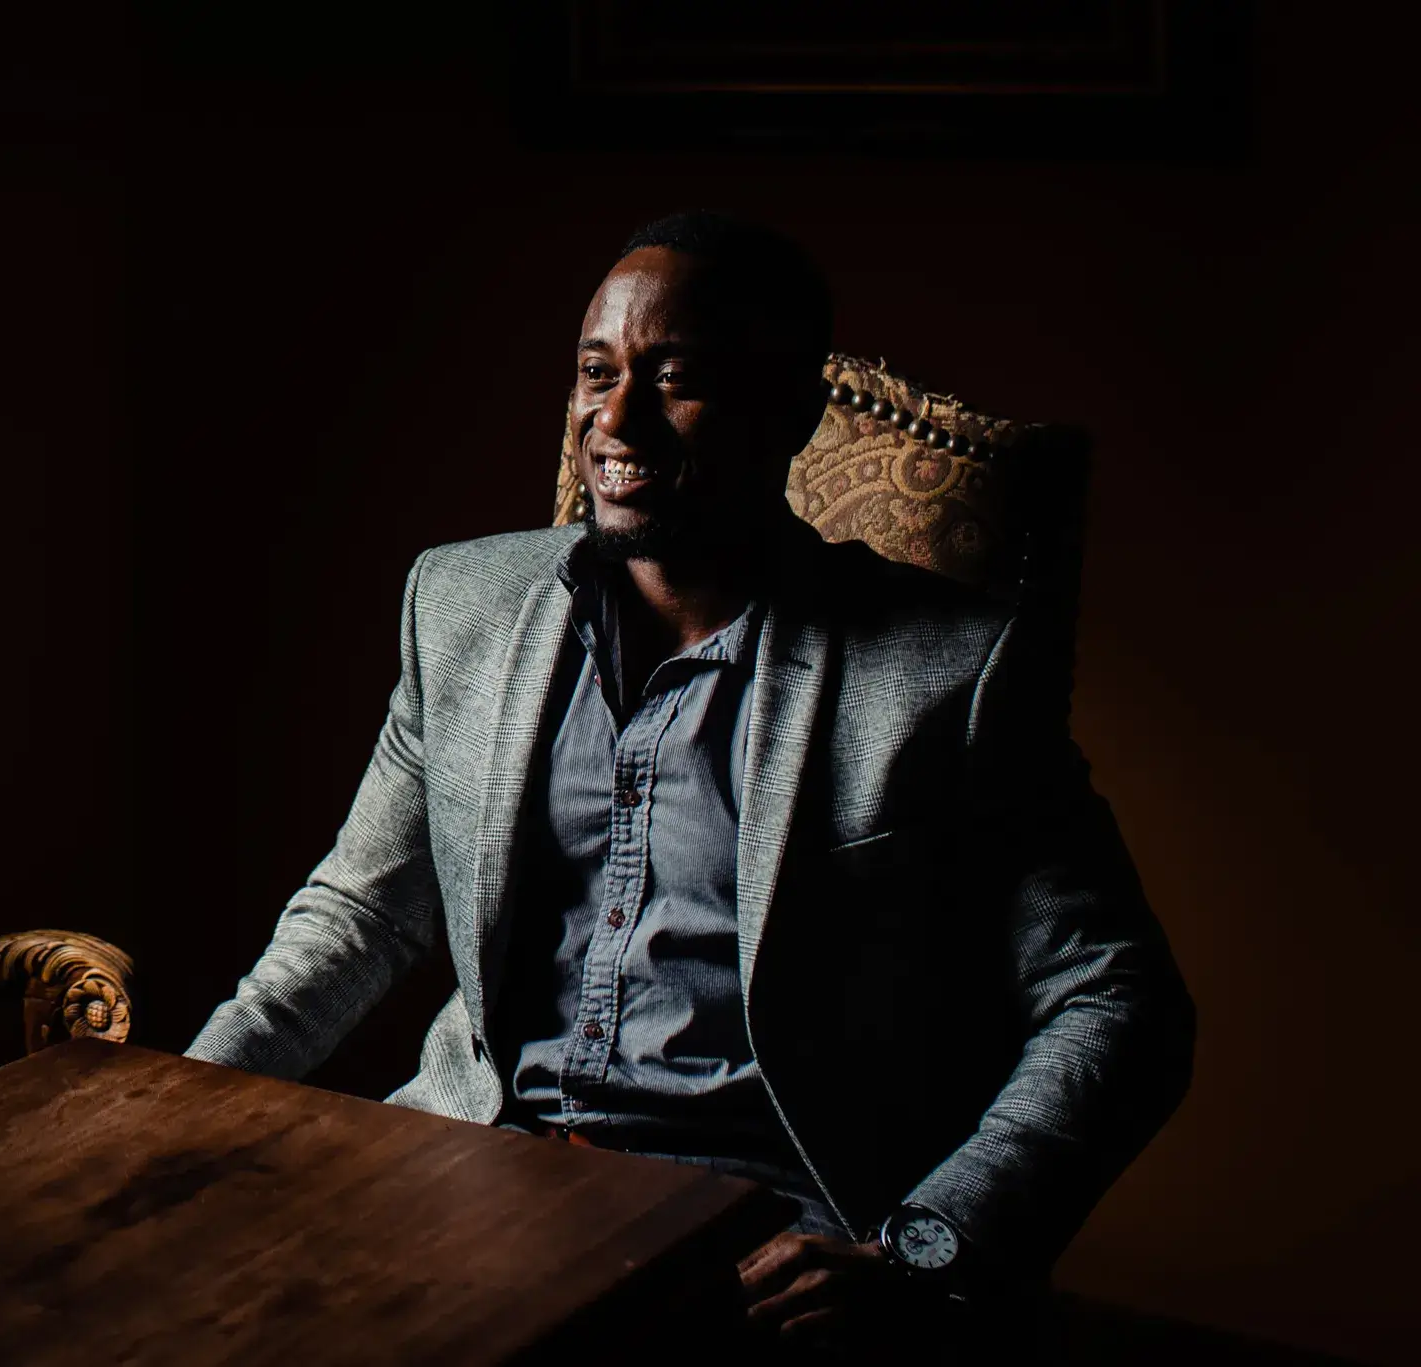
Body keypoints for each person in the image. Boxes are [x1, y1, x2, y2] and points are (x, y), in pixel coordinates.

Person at [187, 211, 1194, 1358]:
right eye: (595, 373)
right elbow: (359, 913)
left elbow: (1117, 999)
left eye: (675, 380)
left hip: (755, 1234)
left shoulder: (947, 674)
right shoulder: (460, 606)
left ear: (791, 413)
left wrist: (923, 1248)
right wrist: (189, 1103)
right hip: (462, 1167)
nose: (614, 421)